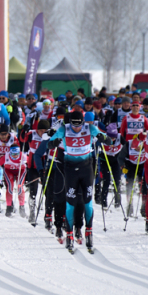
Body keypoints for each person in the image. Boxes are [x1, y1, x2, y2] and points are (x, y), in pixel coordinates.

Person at [45, 107, 102, 251]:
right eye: (74, 126)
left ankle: (87, 231)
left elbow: (105, 137)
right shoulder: (64, 128)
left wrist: (103, 138)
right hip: (67, 167)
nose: (77, 129)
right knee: (66, 200)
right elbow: (50, 142)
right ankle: (66, 231)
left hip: (86, 167)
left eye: (79, 125)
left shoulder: (89, 127)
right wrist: (53, 140)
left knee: (86, 201)